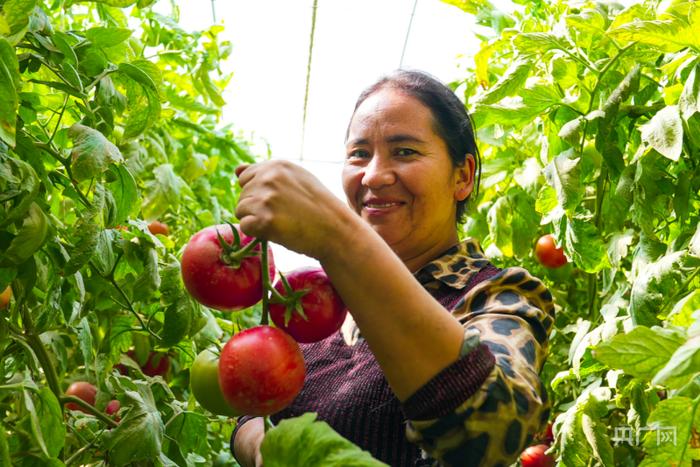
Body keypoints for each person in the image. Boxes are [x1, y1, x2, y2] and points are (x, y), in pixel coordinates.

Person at [230, 70, 554, 467]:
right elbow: (257, 410)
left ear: (462, 176)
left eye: (405, 152)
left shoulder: (496, 295)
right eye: (359, 154)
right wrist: (266, 450)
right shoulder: (316, 299)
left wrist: (338, 236)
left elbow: (491, 434)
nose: (373, 175)